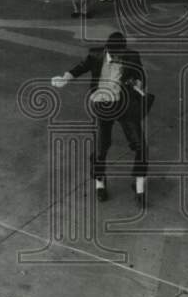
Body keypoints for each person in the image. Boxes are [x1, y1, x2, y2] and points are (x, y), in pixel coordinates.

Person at [51, 31, 150, 205]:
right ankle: (100, 184)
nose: (118, 58)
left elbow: (140, 75)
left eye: (120, 55)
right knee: (100, 149)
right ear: (107, 49)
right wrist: (65, 79)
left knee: (141, 146)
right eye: (114, 55)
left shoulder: (132, 56)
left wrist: (138, 84)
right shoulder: (95, 54)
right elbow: (80, 68)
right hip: (102, 105)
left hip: (124, 105)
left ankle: (139, 186)